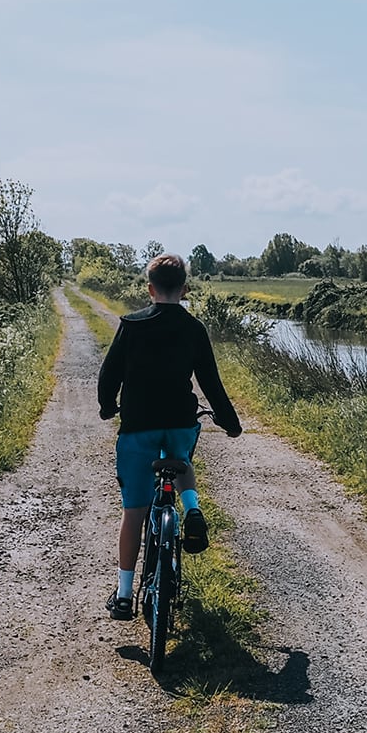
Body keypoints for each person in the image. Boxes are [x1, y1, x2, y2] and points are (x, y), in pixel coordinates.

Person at [97, 252, 242, 620]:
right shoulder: (194, 329)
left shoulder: (131, 326)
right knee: (182, 462)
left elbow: (108, 376)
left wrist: (106, 406)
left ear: (150, 289)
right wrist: (230, 421)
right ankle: (192, 509)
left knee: (134, 513)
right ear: (185, 289)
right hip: (179, 421)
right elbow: (211, 382)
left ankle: (125, 595)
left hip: (138, 425)